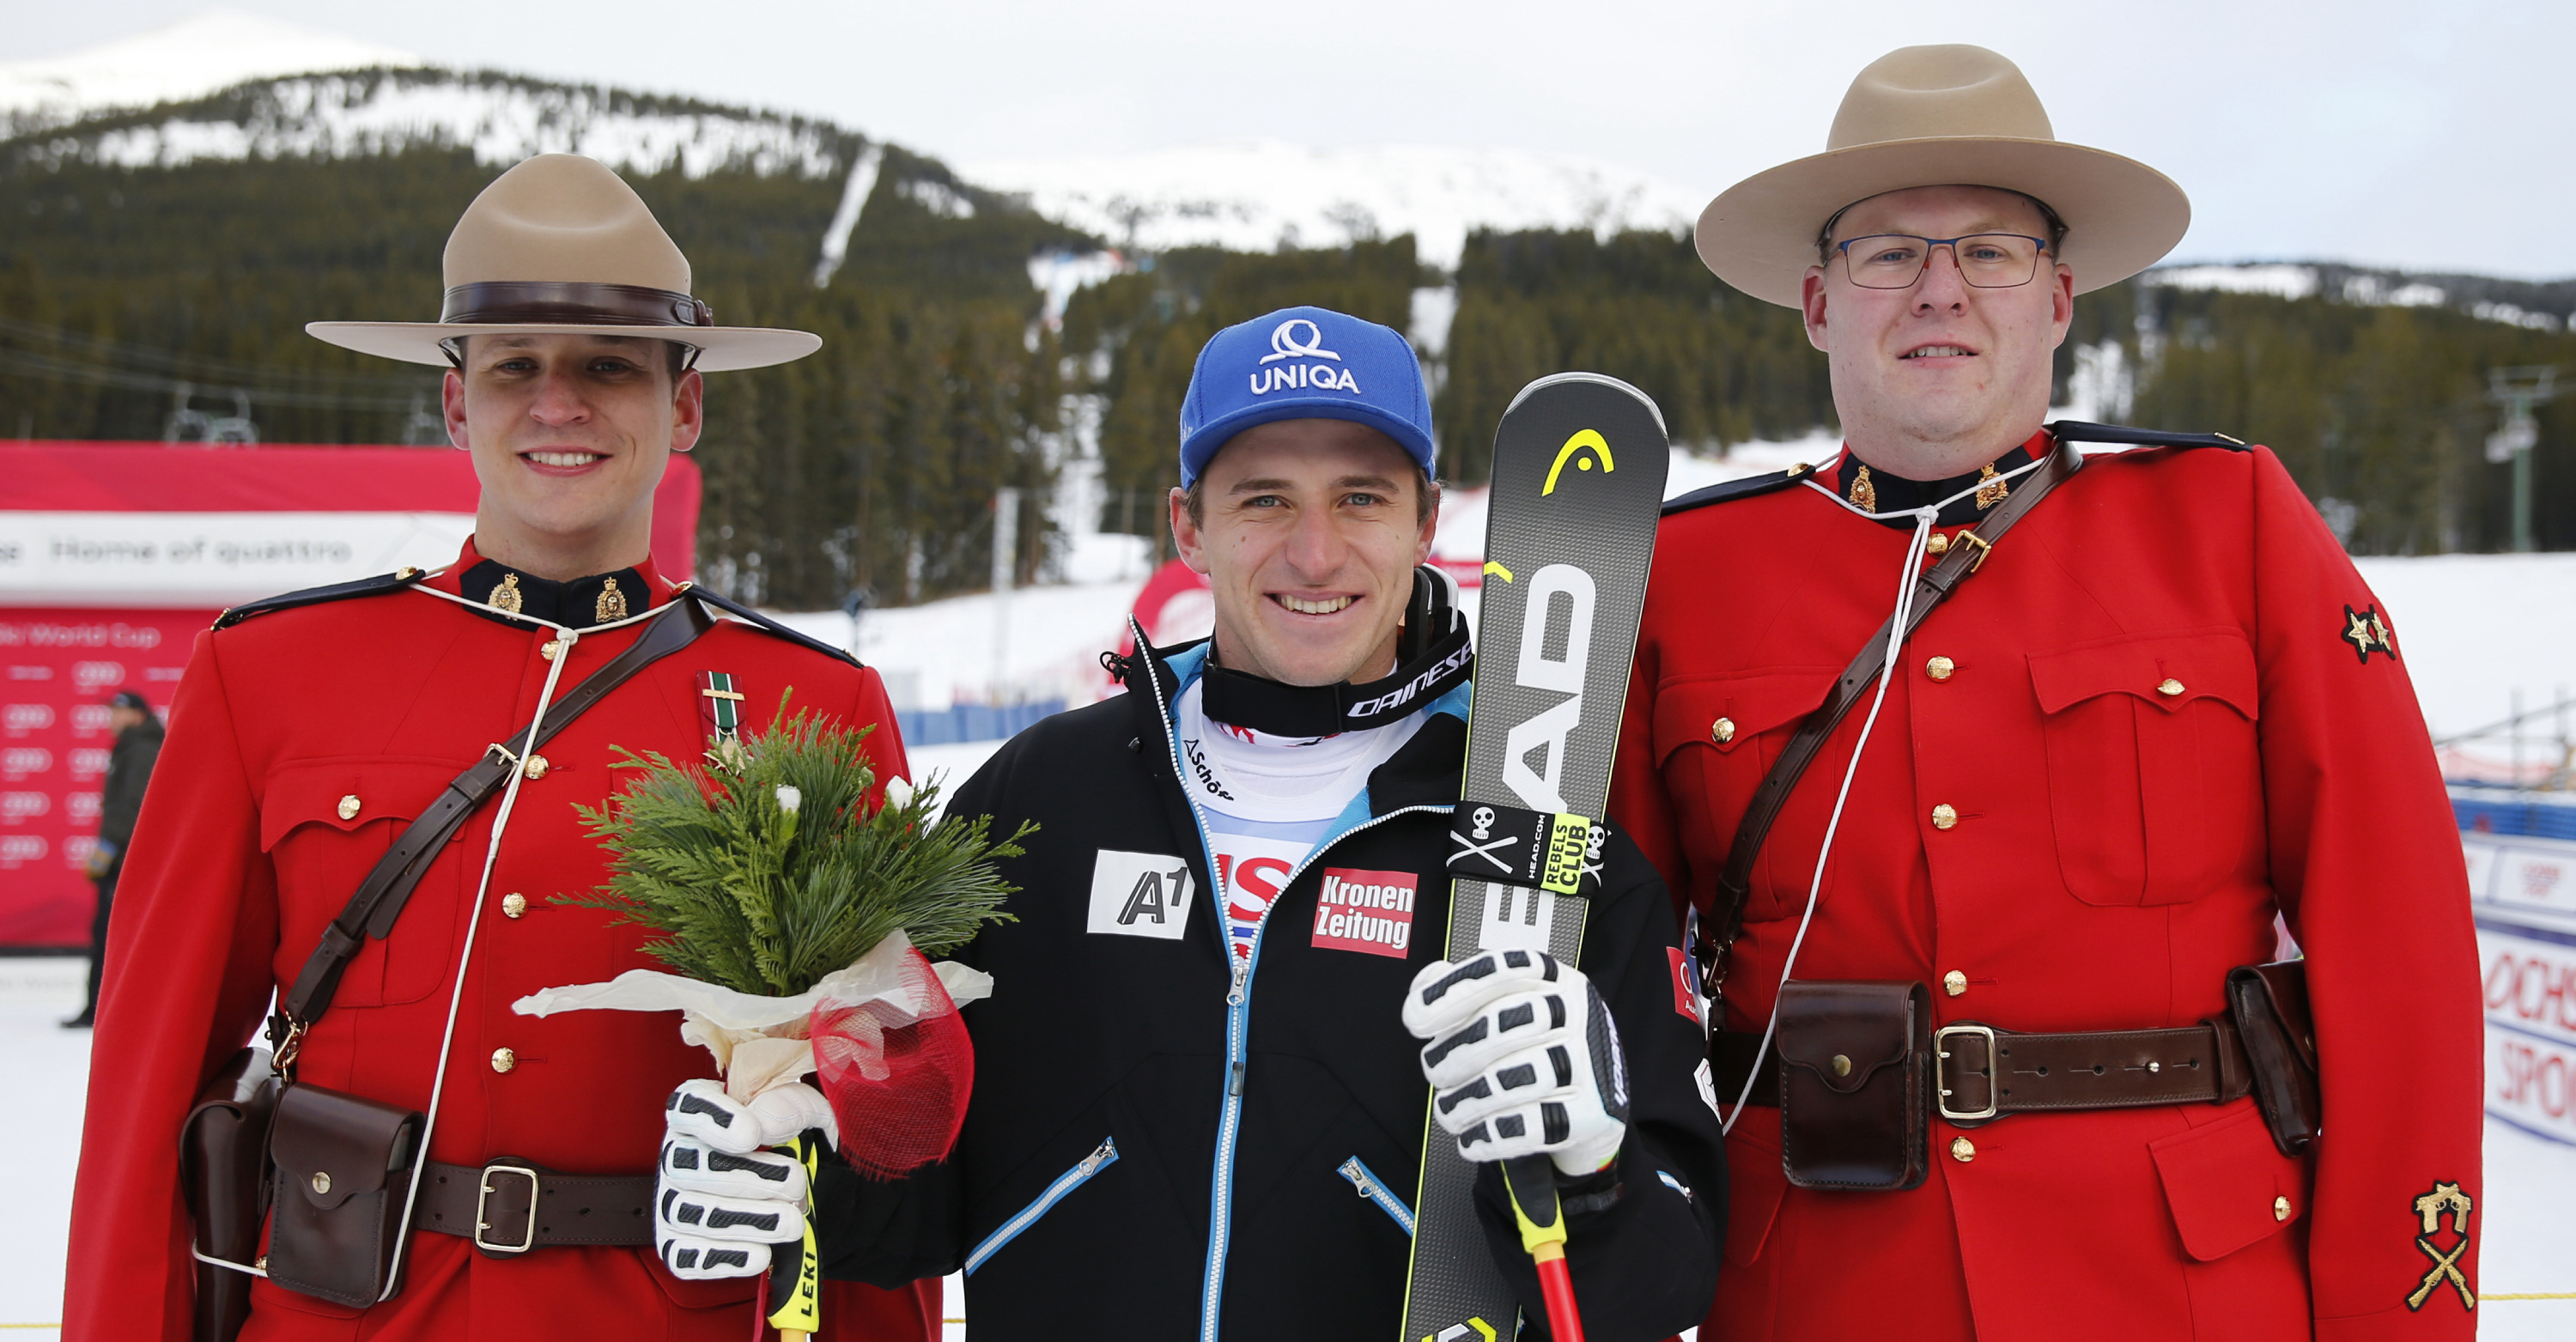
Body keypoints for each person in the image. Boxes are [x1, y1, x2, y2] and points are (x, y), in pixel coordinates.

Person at [1609, 45, 2483, 1342]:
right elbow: (1597, 957)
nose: (1940, 290)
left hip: (2185, 1287)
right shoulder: (1681, 573)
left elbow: (2399, 944)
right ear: (1816, 300)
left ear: (2061, 297)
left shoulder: (2230, 523)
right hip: (1823, 1290)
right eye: (1889, 253)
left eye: (1993, 252)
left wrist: (2399, 1312)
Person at [649, 306, 1723, 1339]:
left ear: (1426, 525)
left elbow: (1663, 1286)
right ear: (1188, 527)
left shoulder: (1538, 842)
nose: (1314, 553)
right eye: (1263, 500)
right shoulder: (1040, 803)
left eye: (1359, 498)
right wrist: (798, 1177)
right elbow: (918, 1193)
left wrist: (1597, 1164)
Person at [64, 154, 937, 1341]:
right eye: (515, 365)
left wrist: (824, 1125)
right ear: (452, 400)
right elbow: (149, 1083)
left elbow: (902, 1106)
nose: (558, 403)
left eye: (609, 368)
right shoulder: (267, 672)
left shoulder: (813, 702)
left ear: (685, 405)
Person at [65, 688, 165, 1029]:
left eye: (116, 712)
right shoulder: (134, 748)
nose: (110, 719)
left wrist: (106, 851)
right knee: (114, 935)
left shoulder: (140, 750)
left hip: (126, 864)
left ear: (136, 715)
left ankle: (100, 1010)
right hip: (127, 861)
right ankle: (105, 1008)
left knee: (110, 935)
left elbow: (131, 809)